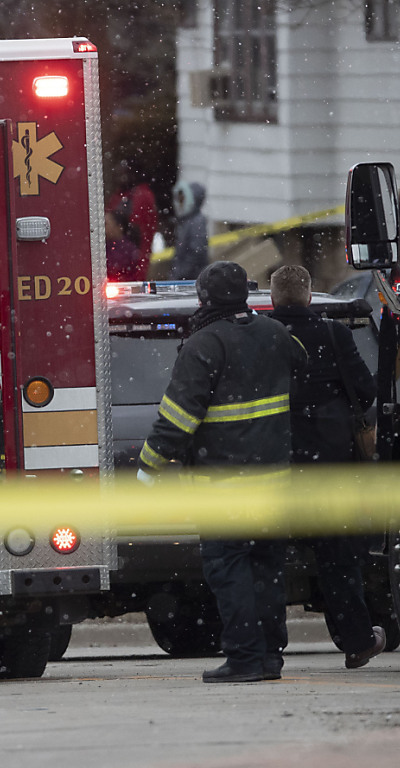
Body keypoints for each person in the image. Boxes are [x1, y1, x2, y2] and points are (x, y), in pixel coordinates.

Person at [137, 261, 306, 683]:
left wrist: (149, 465)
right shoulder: (276, 334)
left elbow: (177, 417)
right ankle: (269, 657)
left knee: (229, 569)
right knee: (266, 567)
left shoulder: (203, 344)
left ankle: (245, 658)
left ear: (204, 298)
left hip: (225, 484)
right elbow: (302, 373)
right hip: (275, 481)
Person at [269, 264, 386, 669]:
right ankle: (355, 640)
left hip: (273, 466)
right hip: (330, 467)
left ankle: (266, 649)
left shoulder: (262, 336)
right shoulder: (334, 335)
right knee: (339, 562)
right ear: (308, 296)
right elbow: (366, 391)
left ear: (272, 299)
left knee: (265, 561)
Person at [106, 160, 157, 281]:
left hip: (133, 251)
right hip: (119, 249)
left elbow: (145, 230)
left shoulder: (142, 196)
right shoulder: (119, 196)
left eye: (124, 174)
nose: (121, 178)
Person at [169, 180, 209, 280]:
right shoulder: (187, 221)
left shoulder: (196, 222)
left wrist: (179, 274)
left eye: (182, 199)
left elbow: (196, 253)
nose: (179, 204)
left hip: (190, 280)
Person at [106, 204, 141, 282]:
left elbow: (115, 269)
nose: (104, 228)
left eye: (106, 224)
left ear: (119, 227)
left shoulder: (128, 248)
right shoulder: (105, 245)